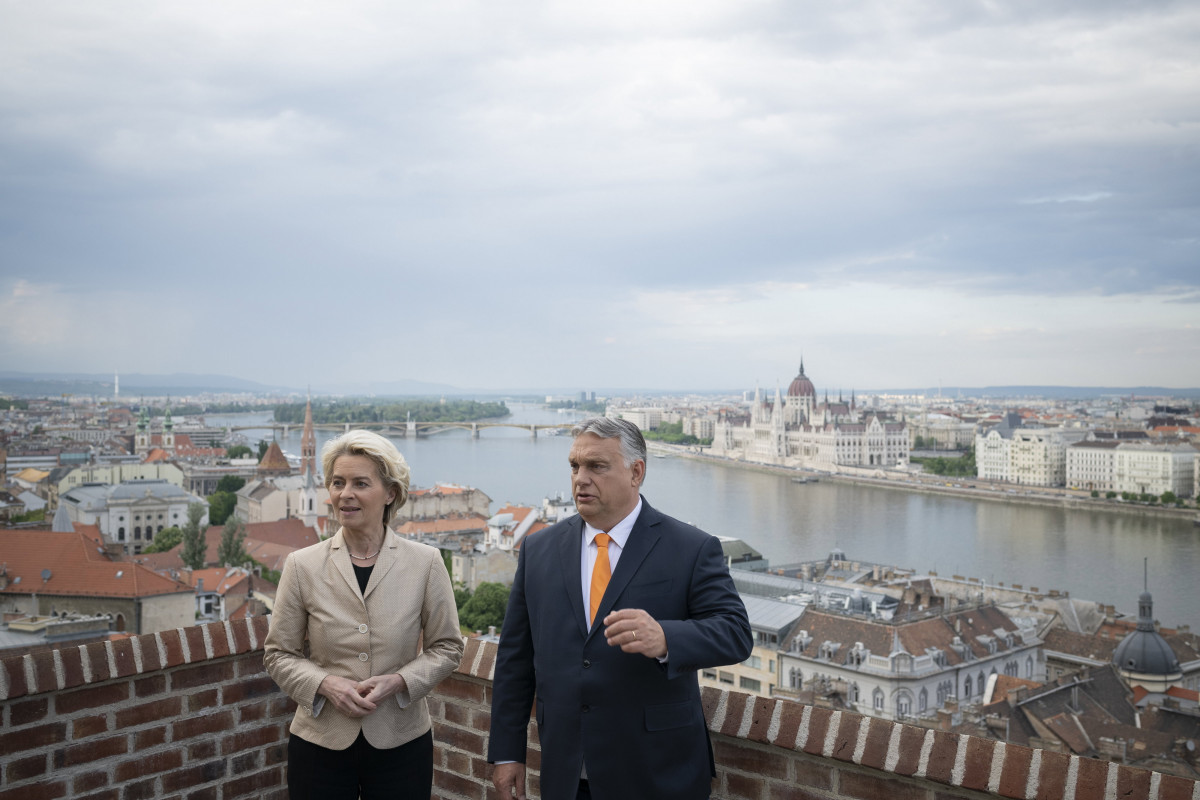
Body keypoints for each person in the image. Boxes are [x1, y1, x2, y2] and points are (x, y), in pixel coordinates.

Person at [489, 417, 752, 800]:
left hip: (657, 772)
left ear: (636, 472)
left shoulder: (691, 548)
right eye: (575, 466)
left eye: (596, 466)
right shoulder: (538, 549)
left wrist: (666, 638)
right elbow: (515, 659)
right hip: (565, 772)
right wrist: (506, 752)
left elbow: (735, 633)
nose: (580, 478)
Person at [264, 429, 464, 799]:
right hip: (320, 741)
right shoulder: (302, 565)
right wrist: (326, 685)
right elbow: (278, 654)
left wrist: (399, 681)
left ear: (390, 493)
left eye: (360, 483)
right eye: (337, 483)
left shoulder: (425, 563)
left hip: (401, 741)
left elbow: (448, 648)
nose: (345, 494)